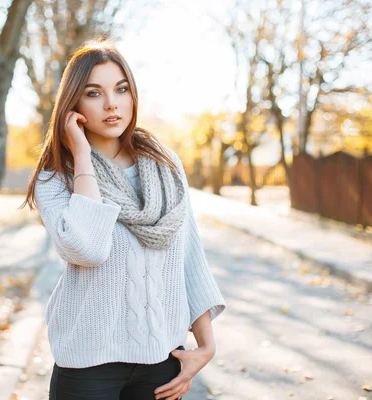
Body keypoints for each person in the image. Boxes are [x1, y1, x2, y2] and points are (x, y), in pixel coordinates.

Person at [21, 39, 226, 400]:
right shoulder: (55, 178)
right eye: (94, 93)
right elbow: (86, 250)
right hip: (87, 367)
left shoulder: (165, 165)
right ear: (74, 105)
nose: (112, 103)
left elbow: (189, 256)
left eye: (121, 89)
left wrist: (204, 348)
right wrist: (82, 156)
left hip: (161, 361)